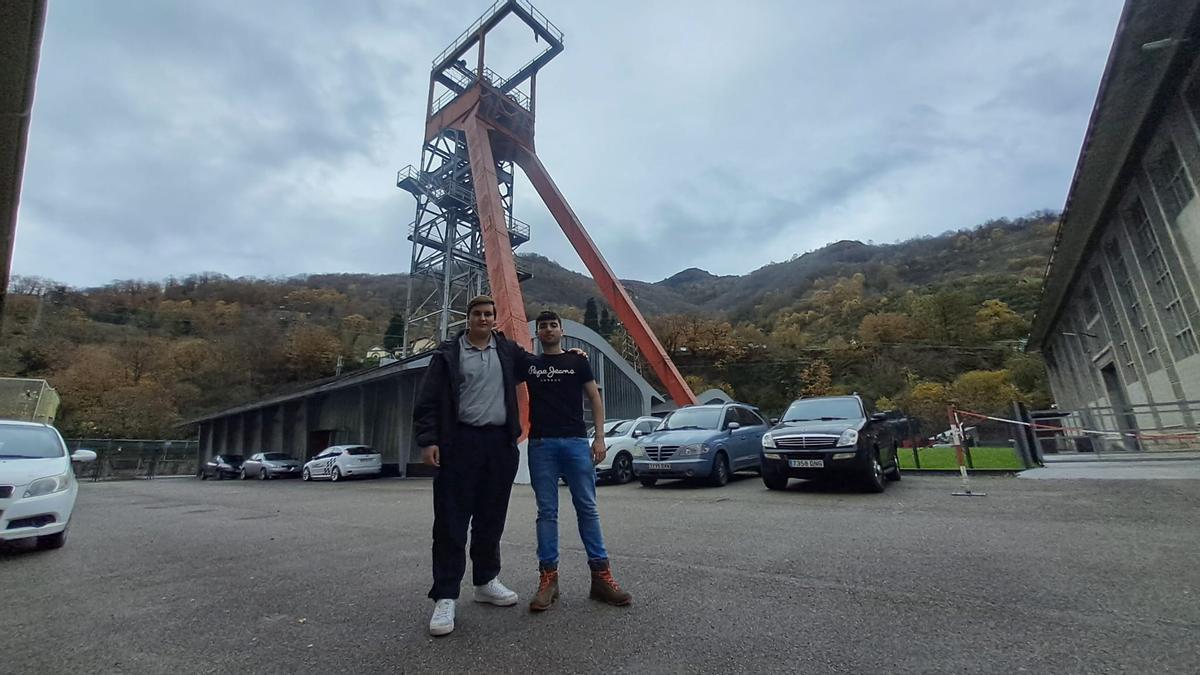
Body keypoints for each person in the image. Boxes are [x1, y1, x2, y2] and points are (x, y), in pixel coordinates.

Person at [413, 295, 525, 636]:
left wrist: (571, 357)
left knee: (491, 518)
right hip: (458, 444)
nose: (484, 319)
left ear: (495, 319)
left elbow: (539, 367)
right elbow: (428, 401)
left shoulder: (507, 352)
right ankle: (445, 596)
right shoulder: (448, 355)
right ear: (468, 318)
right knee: (451, 522)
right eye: (477, 313)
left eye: (489, 314)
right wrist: (429, 441)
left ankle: (486, 581)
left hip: (499, 446)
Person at [523, 310, 632, 611]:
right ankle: (548, 580)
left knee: (587, 508)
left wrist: (599, 437)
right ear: (537, 333)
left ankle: (601, 578)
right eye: (542, 326)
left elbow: (595, 397)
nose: (548, 330)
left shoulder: (577, 360)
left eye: (553, 325)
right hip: (541, 444)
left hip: (575, 442)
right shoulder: (529, 364)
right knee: (547, 512)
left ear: (561, 330)